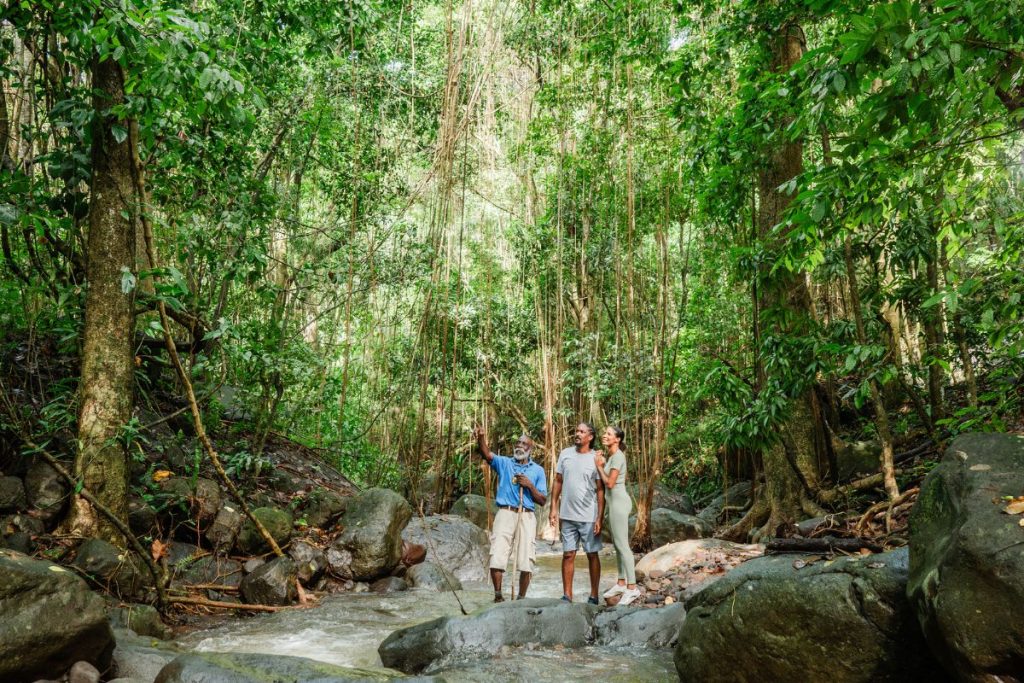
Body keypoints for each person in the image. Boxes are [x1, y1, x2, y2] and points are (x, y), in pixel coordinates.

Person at [474, 426, 547, 602]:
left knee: (526, 559)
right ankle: (498, 595)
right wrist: (481, 437)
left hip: (526, 515)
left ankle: (521, 599)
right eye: (518, 443)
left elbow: (542, 500)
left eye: (524, 444)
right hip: (505, 512)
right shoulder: (505, 463)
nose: (519, 446)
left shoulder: (538, 470)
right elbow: (486, 454)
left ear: (530, 449)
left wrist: (529, 485)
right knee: (498, 553)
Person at [548, 422, 604, 604]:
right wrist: (553, 507)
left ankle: (594, 595)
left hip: (589, 516)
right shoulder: (565, 454)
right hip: (567, 515)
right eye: (576, 431)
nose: (577, 434)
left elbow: (600, 489)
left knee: (592, 554)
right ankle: (567, 595)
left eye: (582, 431)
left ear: (590, 436)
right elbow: (558, 481)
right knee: (568, 554)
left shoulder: (596, 458)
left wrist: (599, 517)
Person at [595, 426, 641, 605]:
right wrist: (602, 462)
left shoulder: (619, 456)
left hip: (619, 503)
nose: (604, 435)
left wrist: (599, 466)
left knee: (623, 545)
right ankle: (621, 583)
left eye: (609, 434)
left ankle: (632, 587)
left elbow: (610, 483)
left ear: (617, 439)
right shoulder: (613, 457)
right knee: (617, 544)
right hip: (614, 504)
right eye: (605, 433)